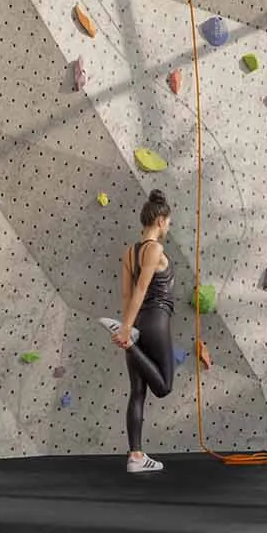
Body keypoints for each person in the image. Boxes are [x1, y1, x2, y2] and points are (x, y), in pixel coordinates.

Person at [99, 189, 178, 472]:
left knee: (137, 392)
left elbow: (126, 294)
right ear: (159, 220)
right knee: (164, 387)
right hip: (155, 319)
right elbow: (142, 289)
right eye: (168, 221)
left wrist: (126, 325)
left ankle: (135, 457)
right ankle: (131, 343)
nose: (168, 227)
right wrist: (127, 333)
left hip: (136, 322)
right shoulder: (154, 249)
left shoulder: (129, 252)